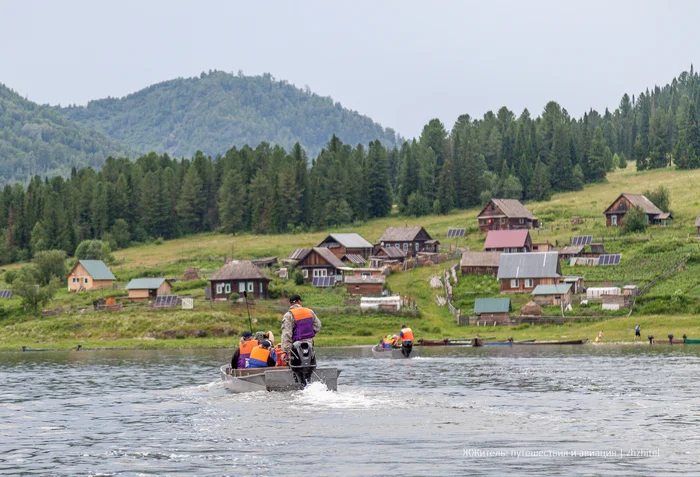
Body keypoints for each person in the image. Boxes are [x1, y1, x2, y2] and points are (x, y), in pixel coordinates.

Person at [281, 294, 322, 361]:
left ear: (291, 303)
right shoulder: (309, 311)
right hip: (309, 344)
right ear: (299, 302)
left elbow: (286, 334)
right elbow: (318, 325)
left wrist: (285, 351)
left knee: (293, 361)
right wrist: (309, 333)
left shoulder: (288, 315)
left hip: (295, 346)